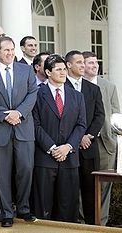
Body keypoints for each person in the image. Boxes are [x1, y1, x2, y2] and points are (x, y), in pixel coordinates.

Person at [0, 36, 37, 227]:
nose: (10, 53)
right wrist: (5, 116)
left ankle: (23, 208)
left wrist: (19, 113)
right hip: (0, 130)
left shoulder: (27, 71)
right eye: (6, 50)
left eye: (12, 49)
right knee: (1, 174)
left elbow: (32, 94)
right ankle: (6, 213)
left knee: (26, 170)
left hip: (23, 129)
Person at [32, 54, 86, 222]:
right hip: (45, 159)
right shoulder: (36, 94)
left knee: (68, 208)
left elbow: (81, 125)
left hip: (70, 159)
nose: (63, 72)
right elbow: (35, 125)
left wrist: (67, 147)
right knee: (43, 208)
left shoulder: (77, 96)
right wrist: (53, 148)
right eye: (58, 69)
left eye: (64, 69)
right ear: (48, 72)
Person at [65, 50, 105, 224]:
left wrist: (87, 135)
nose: (83, 66)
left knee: (91, 191)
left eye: (84, 63)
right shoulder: (60, 86)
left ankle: (92, 226)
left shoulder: (93, 89)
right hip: (68, 148)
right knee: (69, 191)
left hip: (89, 147)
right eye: (79, 63)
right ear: (69, 65)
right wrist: (76, 138)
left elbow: (100, 116)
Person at [83, 51, 120, 225]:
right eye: (90, 63)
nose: (94, 65)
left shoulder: (109, 86)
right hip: (83, 143)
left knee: (105, 186)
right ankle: (82, 221)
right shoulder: (77, 85)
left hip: (105, 143)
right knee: (84, 183)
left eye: (96, 62)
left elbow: (115, 114)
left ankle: (101, 223)